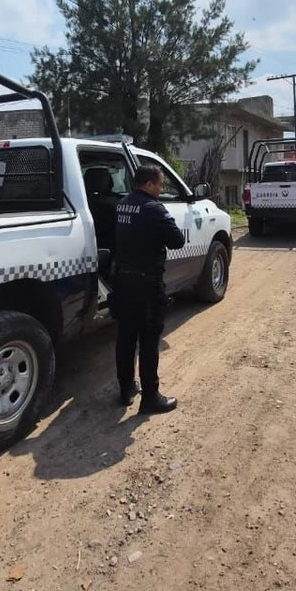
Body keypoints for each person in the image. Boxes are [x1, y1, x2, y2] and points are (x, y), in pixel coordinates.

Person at [111, 164, 187, 413]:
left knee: (125, 338)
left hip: (122, 282)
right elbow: (177, 240)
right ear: (150, 184)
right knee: (149, 341)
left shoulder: (123, 204)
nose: (161, 188)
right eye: (160, 184)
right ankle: (151, 397)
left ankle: (126, 390)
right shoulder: (154, 208)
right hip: (146, 285)